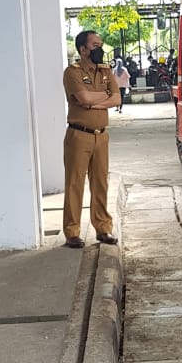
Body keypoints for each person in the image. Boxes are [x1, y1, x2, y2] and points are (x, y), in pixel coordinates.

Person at [62, 31, 121, 248]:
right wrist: (101, 97)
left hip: (101, 136)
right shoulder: (72, 72)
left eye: (101, 44)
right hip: (79, 135)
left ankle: (103, 229)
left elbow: (117, 98)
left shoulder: (105, 71)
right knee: (74, 184)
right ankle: (72, 232)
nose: (100, 49)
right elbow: (84, 97)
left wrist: (93, 102)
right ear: (83, 49)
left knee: (100, 184)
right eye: (95, 45)